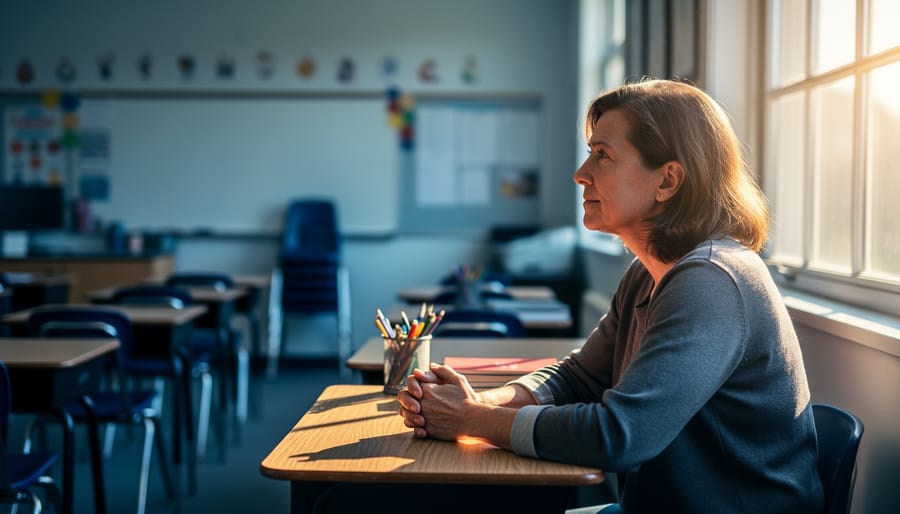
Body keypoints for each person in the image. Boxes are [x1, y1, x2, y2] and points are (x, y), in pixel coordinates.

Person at [398, 79, 824, 514]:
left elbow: (621, 434)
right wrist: (478, 402)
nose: (581, 173)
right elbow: (578, 378)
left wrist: (471, 420)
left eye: (603, 155)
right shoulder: (648, 272)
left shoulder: (712, 280)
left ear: (668, 181)